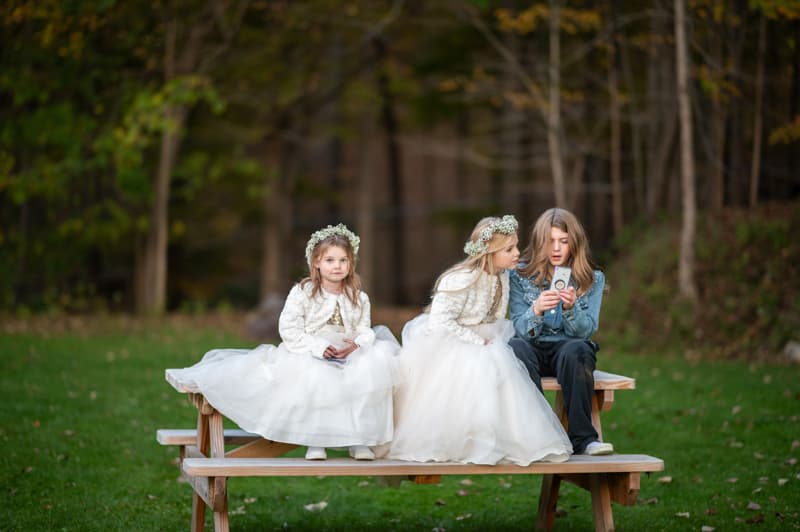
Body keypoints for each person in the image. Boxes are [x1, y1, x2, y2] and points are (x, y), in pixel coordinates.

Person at [172, 224, 399, 461]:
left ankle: (359, 439)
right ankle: (315, 439)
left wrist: (357, 344)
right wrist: (318, 348)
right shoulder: (304, 292)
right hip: (309, 350)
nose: (337, 266)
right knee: (317, 378)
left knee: (370, 370)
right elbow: (289, 329)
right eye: (330, 260)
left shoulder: (358, 296)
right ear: (316, 263)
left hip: (348, 351)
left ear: (351, 264)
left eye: (343, 260)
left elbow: (365, 327)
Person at [382, 215, 572, 465]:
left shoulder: (502, 275)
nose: (517, 252)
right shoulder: (459, 279)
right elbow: (441, 321)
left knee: (501, 366)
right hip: (449, 341)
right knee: (478, 369)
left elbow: (496, 316)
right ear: (489, 252)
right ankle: (467, 439)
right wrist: (474, 340)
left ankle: (502, 438)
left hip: (488, 337)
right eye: (509, 249)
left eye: (516, 246)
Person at [508, 207, 613, 456]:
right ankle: (538, 435)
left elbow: (586, 330)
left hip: (568, 350)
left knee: (577, 349)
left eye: (563, 242)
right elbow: (520, 329)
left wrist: (571, 307)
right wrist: (536, 310)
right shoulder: (520, 275)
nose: (556, 248)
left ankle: (584, 439)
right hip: (533, 348)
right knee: (515, 348)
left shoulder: (592, 279)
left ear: (574, 244)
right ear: (539, 243)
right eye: (549, 241)